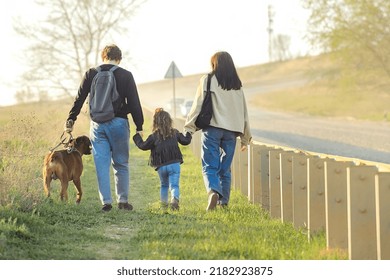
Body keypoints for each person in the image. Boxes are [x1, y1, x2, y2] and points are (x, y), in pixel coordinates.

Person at [65, 44, 144, 212]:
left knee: (101, 165)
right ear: (119, 59)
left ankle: (106, 203)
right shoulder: (126, 75)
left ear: (103, 57)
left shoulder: (91, 73)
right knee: (121, 163)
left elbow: (79, 98)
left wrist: (71, 119)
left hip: (97, 125)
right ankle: (122, 201)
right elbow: (135, 103)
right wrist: (139, 125)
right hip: (119, 123)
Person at [184, 51, 252, 211]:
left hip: (213, 128)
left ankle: (213, 191)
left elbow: (197, 105)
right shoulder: (237, 85)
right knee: (225, 168)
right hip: (232, 132)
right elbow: (244, 112)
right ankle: (224, 203)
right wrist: (245, 137)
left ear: (214, 64)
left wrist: (189, 128)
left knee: (209, 165)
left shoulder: (207, 80)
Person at [133, 108, 192, 210]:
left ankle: (164, 206)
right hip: (174, 164)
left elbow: (143, 146)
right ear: (169, 121)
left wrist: (137, 137)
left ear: (155, 122)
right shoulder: (175, 132)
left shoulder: (153, 136)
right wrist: (189, 133)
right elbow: (185, 141)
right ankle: (174, 200)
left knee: (164, 185)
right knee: (174, 185)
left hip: (161, 166)